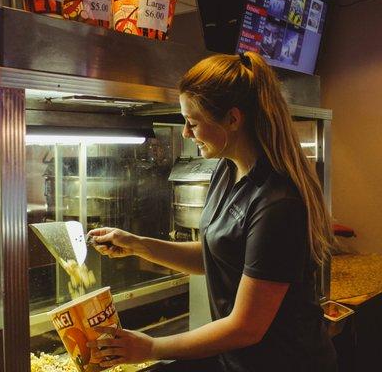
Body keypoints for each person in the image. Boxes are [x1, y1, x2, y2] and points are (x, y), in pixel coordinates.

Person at [87, 52, 337, 372]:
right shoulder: (226, 170)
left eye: (193, 122)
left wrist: (149, 347)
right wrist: (137, 244)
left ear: (233, 119)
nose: (186, 134)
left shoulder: (276, 202)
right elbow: (216, 256)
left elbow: (246, 326)